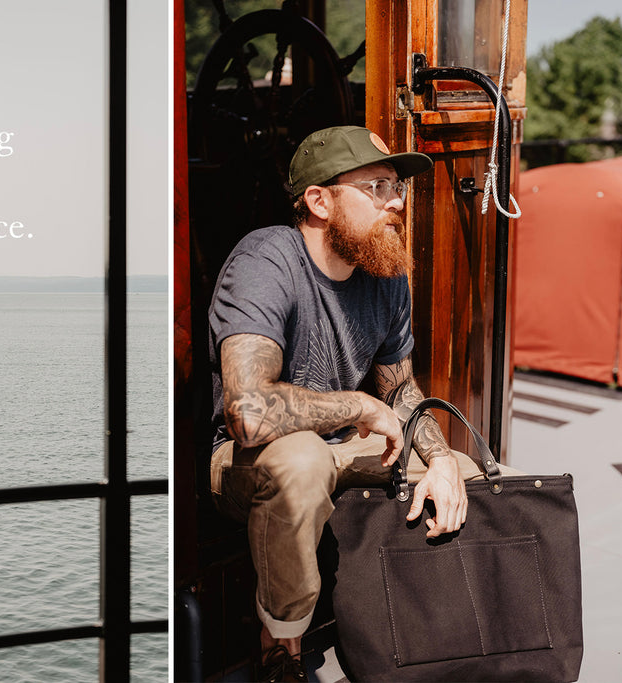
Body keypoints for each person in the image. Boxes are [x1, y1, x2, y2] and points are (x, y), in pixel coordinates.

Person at [207, 126, 498, 682]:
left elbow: (401, 389)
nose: (396, 202)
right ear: (319, 201)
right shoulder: (265, 260)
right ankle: (280, 652)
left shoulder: (385, 273)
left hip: (339, 448)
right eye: (378, 186)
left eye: (399, 188)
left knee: (467, 473)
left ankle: (432, 638)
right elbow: (247, 414)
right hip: (246, 462)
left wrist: (438, 458)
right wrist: (360, 409)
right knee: (302, 461)